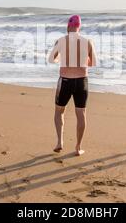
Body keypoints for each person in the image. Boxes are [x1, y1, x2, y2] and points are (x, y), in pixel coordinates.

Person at [48, 15, 97, 156]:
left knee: (59, 111)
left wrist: (62, 59)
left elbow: (52, 59)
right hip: (82, 82)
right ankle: (78, 147)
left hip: (65, 81)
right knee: (81, 114)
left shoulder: (61, 41)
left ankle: (59, 142)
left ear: (68, 26)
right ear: (79, 27)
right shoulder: (88, 42)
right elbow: (93, 63)